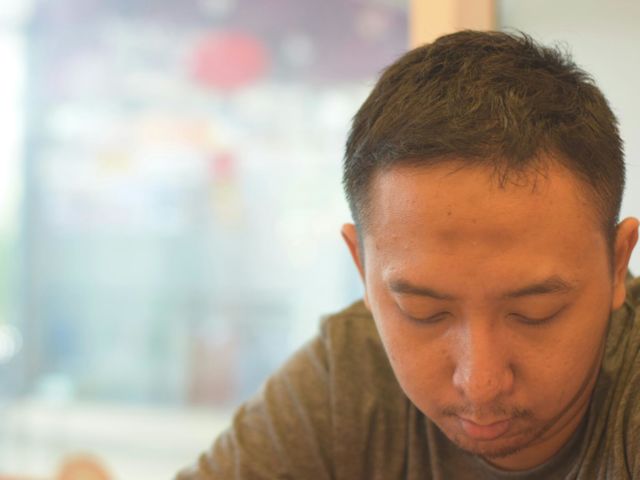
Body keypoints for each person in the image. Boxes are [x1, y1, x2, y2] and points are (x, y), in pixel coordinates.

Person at [176, 30, 640, 479]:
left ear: (618, 263)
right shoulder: (348, 380)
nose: (479, 383)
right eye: (424, 312)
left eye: (534, 312)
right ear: (362, 268)